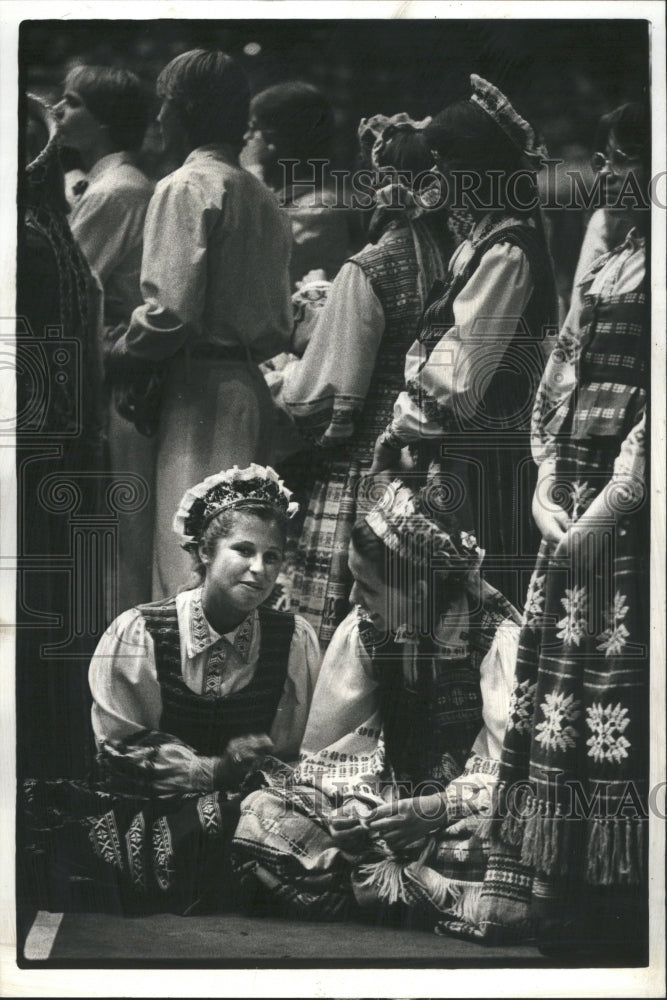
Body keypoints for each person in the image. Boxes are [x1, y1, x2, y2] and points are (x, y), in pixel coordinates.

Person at [486, 102, 650, 960]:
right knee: (561, 688)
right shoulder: (611, 248)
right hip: (578, 489)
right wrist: (545, 473)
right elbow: (565, 365)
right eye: (613, 160)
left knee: (619, 690)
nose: (615, 178)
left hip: (634, 510)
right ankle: (562, 883)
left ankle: (624, 899)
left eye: (631, 161)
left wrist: (613, 504)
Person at [232, 477, 528, 934]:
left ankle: (367, 890)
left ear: (420, 591)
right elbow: (331, 753)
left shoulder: (496, 637)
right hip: (390, 810)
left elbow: (512, 769)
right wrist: (348, 810)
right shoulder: (367, 629)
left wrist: (438, 809)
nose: (352, 598)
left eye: (367, 588)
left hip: (460, 818)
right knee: (261, 811)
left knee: (506, 844)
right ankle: (401, 892)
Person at [21, 465, 321, 915]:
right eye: (243, 550)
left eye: (272, 556)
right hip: (153, 804)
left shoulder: (292, 638)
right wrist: (218, 770)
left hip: (250, 808)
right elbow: (120, 752)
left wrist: (257, 774)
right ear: (204, 550)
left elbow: (297, 754)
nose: (259, 569)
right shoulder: (140, 630)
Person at [105, 50, 294, 598]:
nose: (159, 119)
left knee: (186, 563)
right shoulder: (262, 196)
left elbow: (169, 314)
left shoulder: (186, 186)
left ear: (185, 109)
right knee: (235, 568)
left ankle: (182, 682)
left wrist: (116, 348)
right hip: (244, 388)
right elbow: (277, 323)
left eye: (165, 104)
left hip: (196, 394)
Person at [267, 113, 461, 646]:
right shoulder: (464, 257)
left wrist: (283, 378)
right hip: (436, 468)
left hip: (364, 468)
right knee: (414, 622)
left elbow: (322, 400)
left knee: (343, 627)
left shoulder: (371, 266)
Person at [370, 75, 559, 610]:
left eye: (449, 160)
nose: (440, 174)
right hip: (463, 449)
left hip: (488, 459)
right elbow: (434, 345)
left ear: (480, 167)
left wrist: (398, 429)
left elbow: (460, 373)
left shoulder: (507, 252)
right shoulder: (480, 244)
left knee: (481, 593)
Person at [54, 65, 156, 608]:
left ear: (104, 120)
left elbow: (64, 289)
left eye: (70, 103)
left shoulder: (115, 192)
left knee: (119, 530)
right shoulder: (118, 184)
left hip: (116, 374)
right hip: (120, 368)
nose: (58, 113)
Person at [241, 81, 351, 287]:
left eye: (254, 128)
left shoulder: (319, 207)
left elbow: (257, 261)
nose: (246, 137)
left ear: (276, 140)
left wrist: (252, 172)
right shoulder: (278, 195)